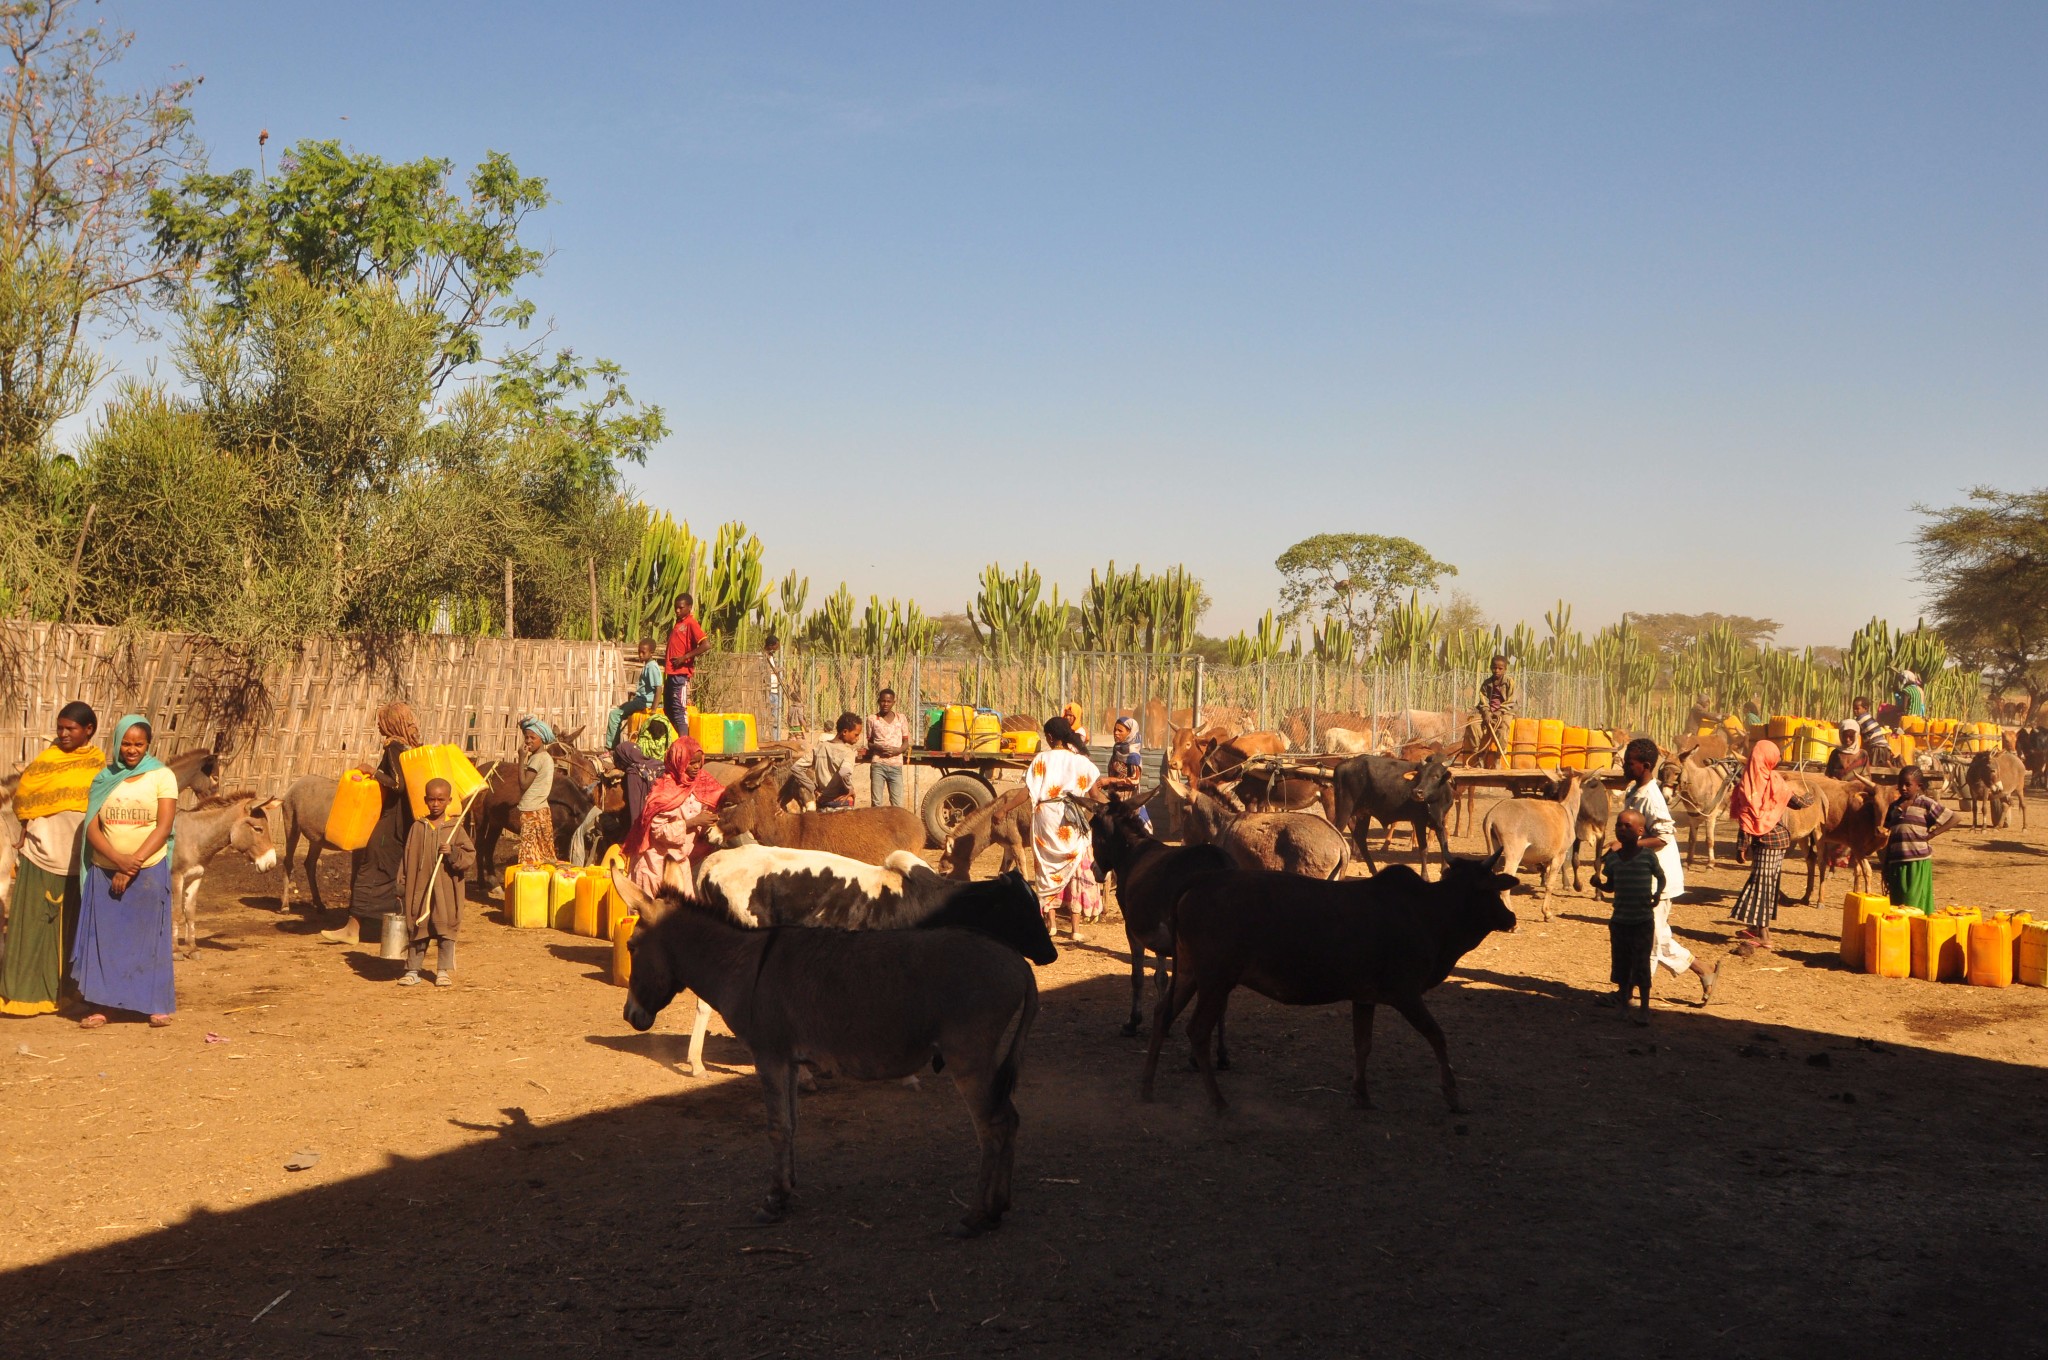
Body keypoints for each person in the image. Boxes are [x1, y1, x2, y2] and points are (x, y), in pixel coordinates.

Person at [73, 716, 179, 1028]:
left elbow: (164, 826)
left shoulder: (162, 776)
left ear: (148, 745)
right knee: (106, 940)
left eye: (138, 744)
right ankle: (103, 1006)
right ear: (117, 742)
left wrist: (133, 864)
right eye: (126, 743)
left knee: (149, 939)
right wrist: (117, 860)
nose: (131, 750)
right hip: (104, 870)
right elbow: (92, 827)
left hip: (148, 870)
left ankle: (155, 1005)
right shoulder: (104, 777)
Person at [1, 702, 104, 1016]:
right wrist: (23, 831)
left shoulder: (98, 763)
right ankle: (23, 994)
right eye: (60, 727)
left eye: (70, 728)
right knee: (33, 924)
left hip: (78, 858)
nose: (63, 734)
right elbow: (26, 799)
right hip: (41, 852)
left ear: (89, 730)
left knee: (69, 925)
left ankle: (65, 992)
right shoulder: (46, 761)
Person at [1619, 736, 1718, 1003]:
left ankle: (1635, 996)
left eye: (1630, 764)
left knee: (1646, 940)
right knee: (1657, 935)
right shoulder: (1634, 791)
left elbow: (1663, 836)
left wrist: (1626, 846)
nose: (1625, 768)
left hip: (1657, 880)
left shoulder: (1652, 797)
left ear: (1646, 765)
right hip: (1642, 876)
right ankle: (1702, 968)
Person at [323, 701, 422, 945]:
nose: (378, 726)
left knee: (370, 870)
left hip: (390, 825)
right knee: (387, 872)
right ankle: (392, 925)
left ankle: (353, 930)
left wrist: (371, 770)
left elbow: (398, 785)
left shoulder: (394, 749)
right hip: (402, 825)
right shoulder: (409, 749)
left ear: (392, 722)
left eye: (382, 721)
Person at [1727, 739, 1810, 952]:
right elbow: (1797, 803)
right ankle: (1755, 927)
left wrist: (1741, 847)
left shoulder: (1747, 783)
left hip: (1766, 841)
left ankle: (1764, 936)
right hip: (1780, 840)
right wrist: (1808, 799)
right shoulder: (1775, 779)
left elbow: (1746, 818)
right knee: (1765, 882)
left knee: (1761, 885)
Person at [394, 778, 475, 987]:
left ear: (449, 800)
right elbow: (407, 856)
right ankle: (413, 970)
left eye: (440, 799)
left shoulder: (455, 828)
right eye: (431, 799)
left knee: (445, 928)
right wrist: (401, 882)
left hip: (447, 890)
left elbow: (469, 857)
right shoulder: (417, 827)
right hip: (419, 888)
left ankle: (442, 971)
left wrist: (453, 852)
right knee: (418, 926)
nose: (436, 804)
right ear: (425, 800)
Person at [1028, 716, 1101, 938]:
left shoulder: (1041, 759)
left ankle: (1051, 926)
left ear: (1049, 737)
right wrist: (1116, 810)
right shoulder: (1081, 762)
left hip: (1046, 820)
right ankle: (1076, 930)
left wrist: (1002, 809)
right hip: (1072, 819)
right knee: (1077, 867)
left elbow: (1027, 791)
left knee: (1047, 870)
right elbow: (1096, 795)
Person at [622, 736, 723, 897]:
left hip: (681, 863)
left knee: (683, 915)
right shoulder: (664, 791)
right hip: (655, 864)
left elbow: (720, 797)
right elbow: (657, 830)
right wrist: (693, 822)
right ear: (679, 762)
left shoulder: (702, 782)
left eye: (699, 762)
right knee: (654, 914)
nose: (697, 767)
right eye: (691, 763)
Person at [1591, 810, 1665, 1025]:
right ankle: (1624, 1005)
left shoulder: (1648, 857)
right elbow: (1611, 887)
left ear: (1641, 831)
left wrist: (1657, 894)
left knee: (1641, 963)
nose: (1621, 830)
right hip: (1620, 921)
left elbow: (1661, 877)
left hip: (1642, 921)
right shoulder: (1613, 860)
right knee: (1622, 964)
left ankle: (1644, 1008)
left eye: (1627, 826)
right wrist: (1599, 885)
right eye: (1618, 826)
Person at [1881, 766, 1954, 913]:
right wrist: (1885, 865)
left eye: (1908, 785)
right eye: (1900, 784)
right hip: (1896, 862)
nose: (1903, 788)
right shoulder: (1893, 808)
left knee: (1913, 903)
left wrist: (1933, 834)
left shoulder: (1925, 803)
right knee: (1897, 904)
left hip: (1917, 861)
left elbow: (1954, 818)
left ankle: (1919, 931)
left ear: (1918, 786)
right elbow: (1888, 836)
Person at [793, 712, 862, 810]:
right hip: (841, 804)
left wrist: (812, 787)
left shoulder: (820, 747)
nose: (857, 738)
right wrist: (850, 788)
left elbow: (796, 767)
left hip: (823, 803)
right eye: (856, 734)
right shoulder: (848, 752)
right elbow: (844, 772)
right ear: (845, 732)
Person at [663, 594, 710, 733]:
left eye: (681, 607)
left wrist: (684, 658)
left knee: (679, 709)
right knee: (668, 708)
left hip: (680, 674)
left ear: (689, 607)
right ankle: (681, 738)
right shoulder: (679, 623)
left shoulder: (691, 623)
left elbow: (706, 645)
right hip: (671, 673)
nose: (677, 610)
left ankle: (685, 743)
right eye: (675, 608)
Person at [515, 716, 557, 865]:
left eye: (533, 737)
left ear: (542, 739)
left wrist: (521, 759)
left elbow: (523, 784)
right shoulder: (545, 758)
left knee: (530, 853)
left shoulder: (537, 759)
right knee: (544, 852)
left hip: (531, 811)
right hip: (541, 808)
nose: (528, 741)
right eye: (526, 737)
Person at [863, 688, 911, 809]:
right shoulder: (872, 719)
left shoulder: (901, 718)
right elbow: (869, 742)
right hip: (878, 765)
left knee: (897, 805)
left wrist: (898, 751)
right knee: (876, 803)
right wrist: (877, 747)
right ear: (878, 701)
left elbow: (906, 742)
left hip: (896, 766)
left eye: (888, 701)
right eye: (883, 701)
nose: (885, 704)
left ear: (893, 702)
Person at [605, 659, 665, 751]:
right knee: (619, 710)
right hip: (640, 700)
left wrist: (653, 709)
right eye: (639, 652)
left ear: (651, 652)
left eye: (643, 653)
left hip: (644, 703)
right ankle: (615, 747)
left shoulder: (652, 667)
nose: (641, 655)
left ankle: (612, 748)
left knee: (614, 715)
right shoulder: (648, 665)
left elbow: (659, 689)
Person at [1469, 654, 1516, 765]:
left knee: (1503, 727)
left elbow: (1511, 700)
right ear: (1490, 667)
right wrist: (1486, 712)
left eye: (1500, 668)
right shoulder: (1486, 683)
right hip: (1488, 711)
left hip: (1505, 711)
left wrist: (1499, 712)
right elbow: (1483, 698)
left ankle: (1498, 757)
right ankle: (1478, 755)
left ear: (1505, 669)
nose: (1497, 671)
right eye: (1494, 668)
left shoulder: (1509, 682)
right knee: (1474, 725)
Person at [1851, 696, 1893, 765]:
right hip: (1886, 748)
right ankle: (1889, 763)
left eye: (1857, 709)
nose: (1855, 711)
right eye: (1853, 709)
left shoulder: (1860, 719)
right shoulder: (1869, 717)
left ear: (1865, 708)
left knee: (1871, 767)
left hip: (1876, 749)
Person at [763, 635, 784, 742]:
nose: (778, 647)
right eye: (777, 645)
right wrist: (778, 669)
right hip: (768, 689)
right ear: (771, 645)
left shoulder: (771, 656)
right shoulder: (763, 656)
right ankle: (763, 738)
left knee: (775, 718)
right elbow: (765, 671)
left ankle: (775, 740)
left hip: (775, 690)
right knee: (765, 717)